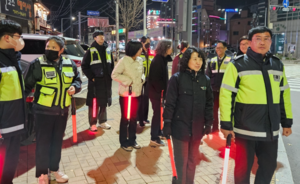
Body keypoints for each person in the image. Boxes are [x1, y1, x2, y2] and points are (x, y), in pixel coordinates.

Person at [220, 26, 293, 184]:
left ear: (271, 42)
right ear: (250, 42)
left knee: (268, 167)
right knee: (242, 169)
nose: (262, 42)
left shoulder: (277, 65)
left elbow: (284, 94)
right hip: (244, 129)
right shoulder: (237, 65)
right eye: (258, 38)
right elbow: (226, 95)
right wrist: (226, 124)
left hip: (270, 129)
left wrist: (286, 122)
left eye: (266, 38)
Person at [24, 36, 82, 183]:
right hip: (43, 112)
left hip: (62, 112)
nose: (49, 50)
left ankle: (55, 169)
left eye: (53, 48)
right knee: (43, 143)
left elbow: (77, 79)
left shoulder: (69, 64)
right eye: (48, 46)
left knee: (57, 142)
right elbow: (26, 86)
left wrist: (75, 87)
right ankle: (42, 174)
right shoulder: (37, 64)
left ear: (61, 50)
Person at [163, 46, 213, 184]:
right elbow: (170, 103)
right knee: (181, 162)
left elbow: (209, 103)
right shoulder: (176, 79)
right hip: (180, 127)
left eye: (200, 59)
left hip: (197, 128)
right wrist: (167, 123)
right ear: (187, 61)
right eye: (194, 59)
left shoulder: (205, 80)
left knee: (192, 161)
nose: (198, 62)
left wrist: (209, 122)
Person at [0, 19, 26, 184]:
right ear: (7, 38)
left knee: (10, 165)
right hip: (3, 127)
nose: (21, 40)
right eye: (18, 36)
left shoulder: (13, 59)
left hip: (14, 123)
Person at [111, 40, 144, 152]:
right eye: (140, 48)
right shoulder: (123, 61)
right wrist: (128, 81)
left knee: (134, 118)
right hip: (126, 95)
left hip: (137, 93)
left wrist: (142, 79)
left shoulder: (140, 60)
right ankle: (123, 142)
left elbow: (142, 72)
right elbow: (114, 74)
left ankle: (132, 140)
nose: (141, 50)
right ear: (134, 49)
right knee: (125, 119)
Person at [82, 30, 114, 132]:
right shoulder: (90, 50)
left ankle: (102, 121)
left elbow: (111, 64)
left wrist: (111, 74)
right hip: (95, 82)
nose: (102, 38)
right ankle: (93, 123)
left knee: (104, 102)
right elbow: (84, 66)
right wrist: (92, 77)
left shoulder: (108, 50)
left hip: (106, 81)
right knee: (94, 103)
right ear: (95, 38)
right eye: (99, 36)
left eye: (102, 36)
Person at [148, 39, 173, 146]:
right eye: (170, 47)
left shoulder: (162, 59)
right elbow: (155, 79)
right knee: (157, 114)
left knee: (159, 114)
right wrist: (161, 92)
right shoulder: (158, 60)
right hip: (156, 93)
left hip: (159, 92)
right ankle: (154, 137)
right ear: (165, 48)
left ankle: (158, 132)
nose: (171, 49)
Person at [205, 41, 231, 133]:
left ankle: (226, 127)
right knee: (214, 110)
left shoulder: (230, 60)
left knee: (225, 110)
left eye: (220, 48)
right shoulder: (212, 60)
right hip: (214, 90)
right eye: (217, 48)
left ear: (225, 48)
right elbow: (207, 75)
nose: (218, 49)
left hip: (225, 91)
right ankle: (215, 127)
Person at [138, 36, 153, 127]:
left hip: (148, 80)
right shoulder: (139, 53)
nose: (148, 44)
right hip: (140, 79)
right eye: (147, 42)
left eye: (149, 42)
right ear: (142, 43)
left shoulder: (151, 53)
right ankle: (139, 119)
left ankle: (144, 118)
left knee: (146, 99)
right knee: (140, 99)